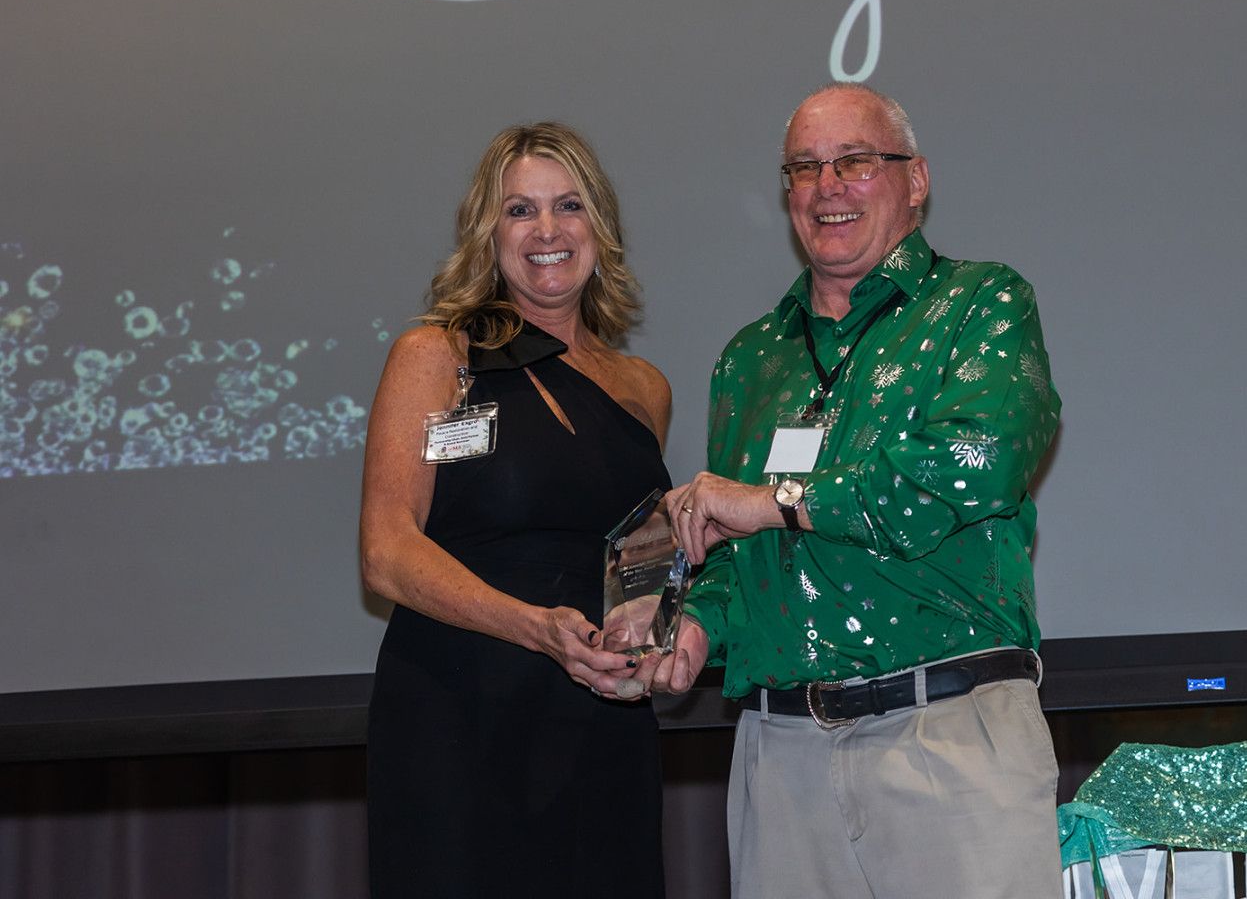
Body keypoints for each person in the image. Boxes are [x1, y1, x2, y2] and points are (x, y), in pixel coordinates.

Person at [649, 84, 1063, 898]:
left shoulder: (981, 302)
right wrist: (690, 629)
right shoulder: (750, 357)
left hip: (946, 730)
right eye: (803, 167)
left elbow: (976, 459)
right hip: (778, 755)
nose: (826, 184)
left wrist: (773, 500)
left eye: (855, 161)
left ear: (915, 180)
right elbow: (737, 557)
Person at [360, 122, 671, 898]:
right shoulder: (437, 355)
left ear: (598, 226)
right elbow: (386, 551)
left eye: (568, 205)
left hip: (601, 718)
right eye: (518, 210)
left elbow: (636, 560)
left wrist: (652, 633)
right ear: (486, 234)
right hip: (458, 715)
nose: (547, 231)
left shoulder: (643, 386)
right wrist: (534, 626)